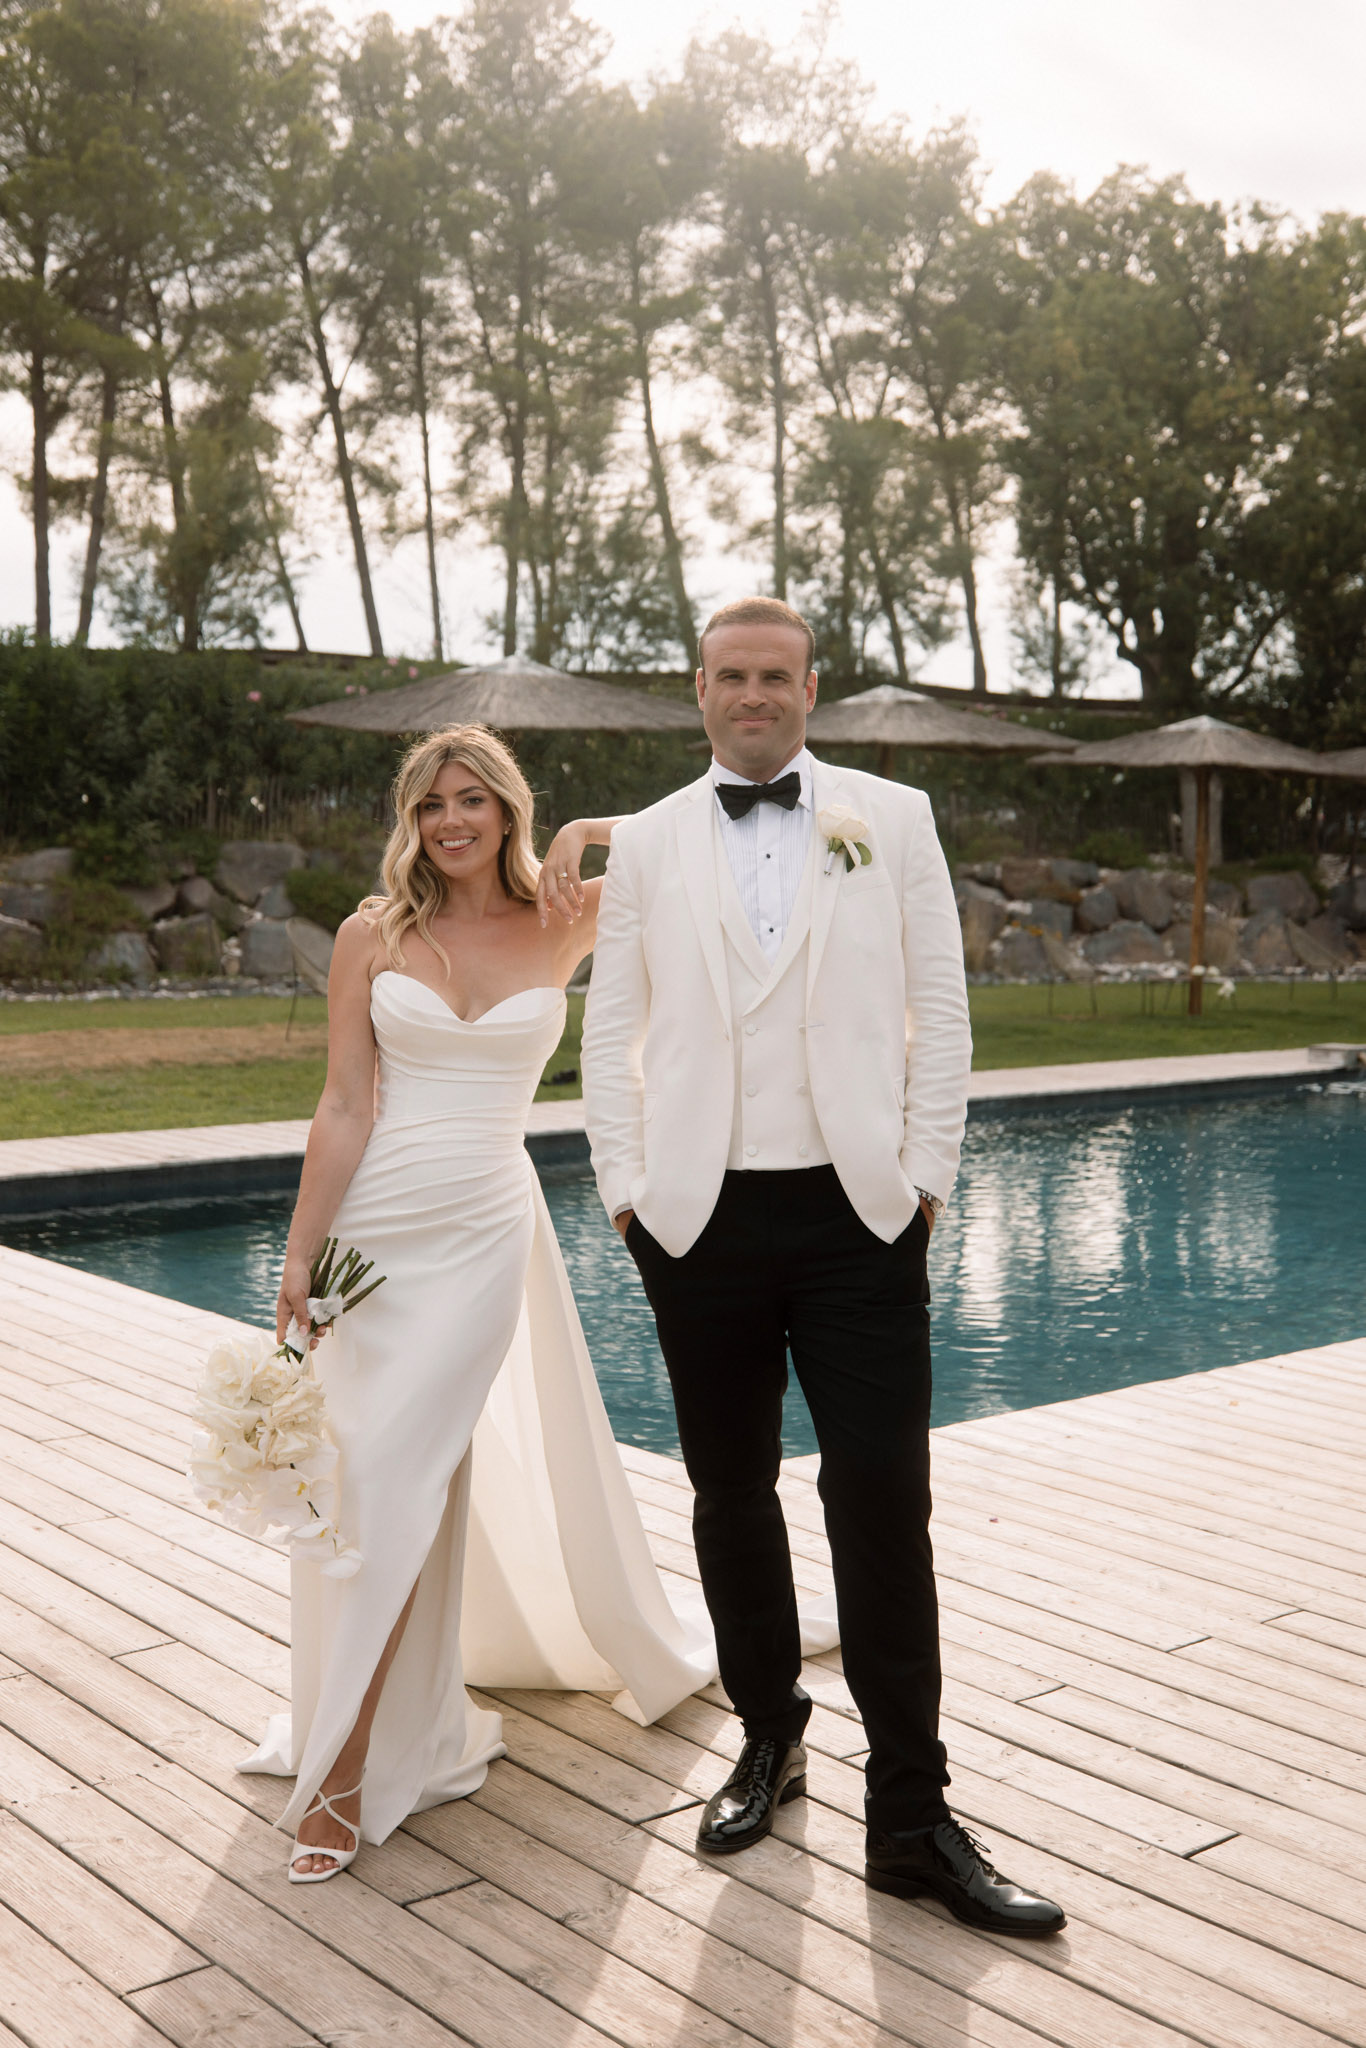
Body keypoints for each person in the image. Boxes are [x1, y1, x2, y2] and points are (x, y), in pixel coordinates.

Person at [562, 597, 1065, 1936]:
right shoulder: (658, 838)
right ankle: (769, 1739)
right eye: (730, 676)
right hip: (696, 1224)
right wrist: (625, 1194)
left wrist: (923, 1184)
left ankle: (908, 1818)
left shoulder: (886, 821)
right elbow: (608, 1026)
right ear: (699, 689)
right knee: (730, 1500)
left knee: (883, 1503)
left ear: (809, 687)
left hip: (858, 1222)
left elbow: (940, 1011)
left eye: (773, 676)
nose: (752, 695)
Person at [242, 724, 714, 1880]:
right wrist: (302, 1255)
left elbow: (698, 847)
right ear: (411, 819)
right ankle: (365, 1718)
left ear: (508, 809)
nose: (451, 820)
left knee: (399, 1472)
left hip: (483, 1230)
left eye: (474, 799)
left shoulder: (572, 914)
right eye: (431, 803)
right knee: (361, 1477)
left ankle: (341, 1777)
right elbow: (344, 1103)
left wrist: (590, 833)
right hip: (375, 1235)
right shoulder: (372, 931)